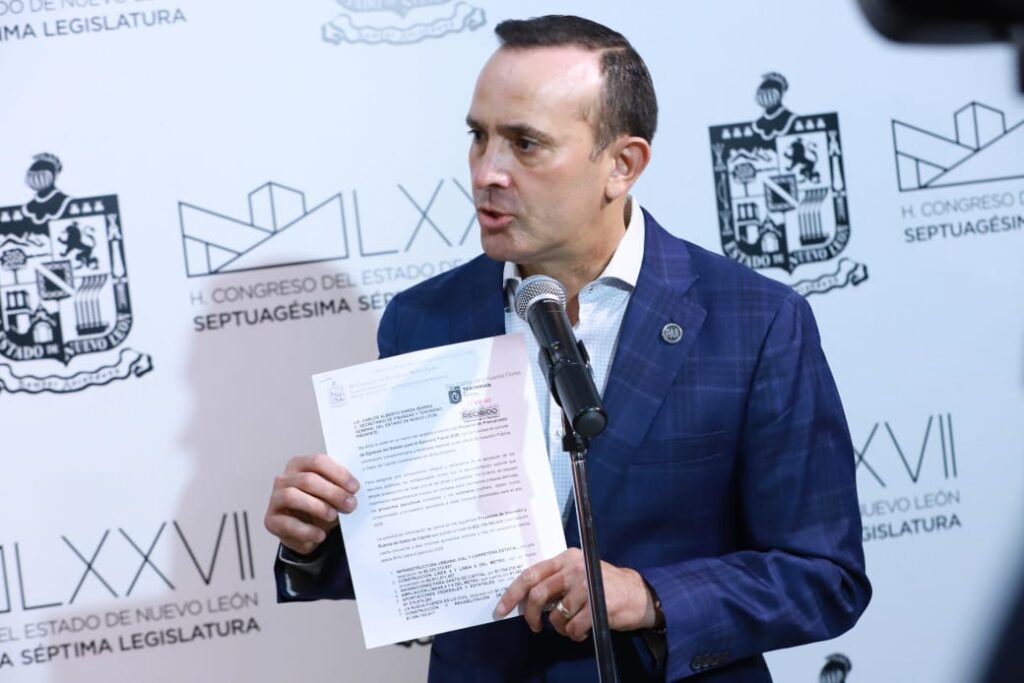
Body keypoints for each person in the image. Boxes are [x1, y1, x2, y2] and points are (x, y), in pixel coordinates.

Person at [265, 15, 871, 682]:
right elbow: (419, 563)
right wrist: (316, 541)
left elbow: (823, 576)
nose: (487, 172)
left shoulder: (755, 321)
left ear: (622, 165)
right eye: (479, 136)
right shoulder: (423, 319)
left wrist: (649, 596)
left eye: (525, 144)